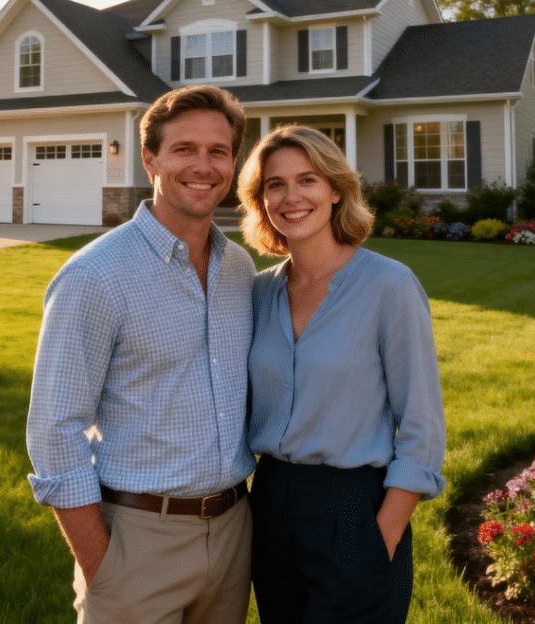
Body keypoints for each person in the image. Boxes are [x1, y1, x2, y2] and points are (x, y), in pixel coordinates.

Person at [26, 85, 256, 624]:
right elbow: (53, 429)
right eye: (184, 149)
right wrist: (102, 564)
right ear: (149, 158)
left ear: (233, 162)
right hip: (137, 540)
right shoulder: (94, 275)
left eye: (218, 151)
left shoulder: (240, 270)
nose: (203, 165)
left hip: (233, 534)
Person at [238, 125, 446, 624]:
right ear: (260, 200)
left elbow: (421, 424)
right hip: (269, 504)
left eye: (307, 180)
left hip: (355, 507)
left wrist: (384, 534)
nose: (291, 197)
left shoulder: (388, 285)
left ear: (335, 189)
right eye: (275, 185)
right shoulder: (260, 292)